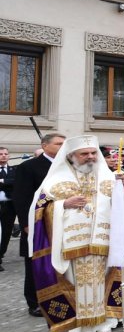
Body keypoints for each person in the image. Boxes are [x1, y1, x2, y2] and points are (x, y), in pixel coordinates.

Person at [26, 135, 124, 332]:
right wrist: (62, 204)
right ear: (71, 156)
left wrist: (123, 189)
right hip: (69, 242)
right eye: (84, 154)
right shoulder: (56, 179)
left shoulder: (108, 177)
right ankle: (72, 324)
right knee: (71, 281)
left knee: (100, 281)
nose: (90, 157)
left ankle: (101, 320)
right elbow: (39, 209)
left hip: (102, 240)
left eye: (93, 153)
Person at [14, 132, 64, 317]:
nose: (62, 147)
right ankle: (34, 302)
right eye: (58, 144)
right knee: (35, 262)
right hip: (37, 222)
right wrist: (27, 224)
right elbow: (22, 197)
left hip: (62, 221)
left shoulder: (67, 166)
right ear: (45, 146)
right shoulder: (29, 167)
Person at [0, 146, 15, 270]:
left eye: (6, 154)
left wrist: (2, 181)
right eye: (1, 154)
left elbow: (15, 182)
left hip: (9, 207)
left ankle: (1, 253)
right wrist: (7, 183)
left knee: (6, 232)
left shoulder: (14, 170)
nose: (4, 156)